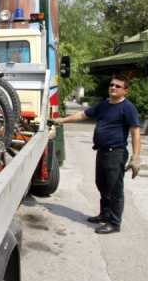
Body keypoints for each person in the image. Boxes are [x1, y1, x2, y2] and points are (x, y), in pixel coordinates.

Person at [55, 74, 141, 234]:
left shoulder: (128, 108)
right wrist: (61, 120)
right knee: (102, 184)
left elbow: (135, 132)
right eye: (112, 85)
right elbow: (83, 115)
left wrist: (136, 157)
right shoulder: (104, 105)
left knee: (115, 189)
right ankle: (105, 215)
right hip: (102, 151)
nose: (113, 87)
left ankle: (114, 223)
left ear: (125, 91)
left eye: (117, 86)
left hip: (116, 153)